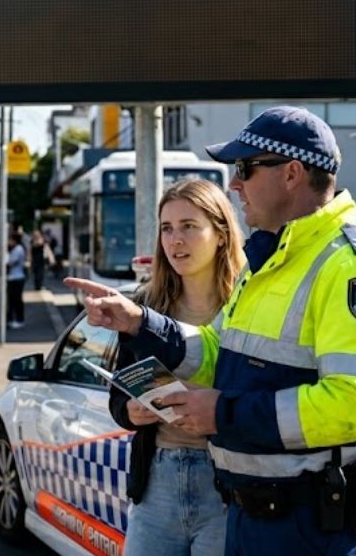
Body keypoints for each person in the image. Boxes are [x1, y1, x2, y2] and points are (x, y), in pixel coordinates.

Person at [67, 106, 356, 556]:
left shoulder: (353, 268)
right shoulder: (270, 263)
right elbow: (216, 351)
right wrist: (139, 322)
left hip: (307, 529)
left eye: (246, 169)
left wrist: (223, 414)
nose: (234, 183)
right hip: (253, 520)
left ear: (292, 174)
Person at [107, 178, 244, 556]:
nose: (175, 240)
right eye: (167, 228)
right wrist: (132, 412)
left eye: (188, 226)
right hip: (158, 479)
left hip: (227, 482)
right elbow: (119, 393)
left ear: (220, 234)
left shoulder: (248, 302)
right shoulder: (145, 304)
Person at [5, 232, 27, 329]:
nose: (8, 242)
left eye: (10, 240)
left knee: (16, 300)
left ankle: (19, 320)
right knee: (12, 300)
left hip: (17, 278)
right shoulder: (16, 249)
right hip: (13, 277)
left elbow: (10, 262)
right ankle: (13, 319)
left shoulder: (18, 249)